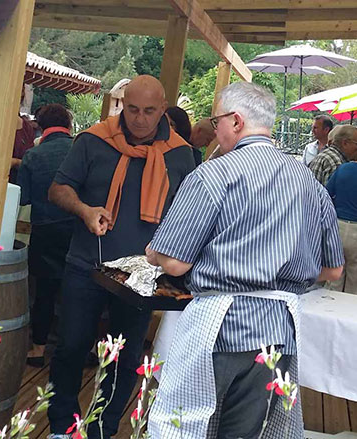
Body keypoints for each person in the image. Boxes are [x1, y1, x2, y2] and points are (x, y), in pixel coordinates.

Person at [145, 82, 344, 439]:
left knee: (189, 426)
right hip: (280, 330)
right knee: (245, 433)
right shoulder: (310, 182)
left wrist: (153, 252)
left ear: (235, 121)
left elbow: (173, 263)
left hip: (219, 327)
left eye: (216, 120)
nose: (213, 128)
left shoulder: (213, 173)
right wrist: (279, 268)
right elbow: (333, 269)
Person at [47, 75, 196, 439]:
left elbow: (190, 214)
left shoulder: (181, 154)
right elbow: (57, 189)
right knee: (70, 345)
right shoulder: (93, 140)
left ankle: (101, 430)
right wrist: (84, 209)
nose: (140, 119)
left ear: (163, 109)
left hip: (143, 275)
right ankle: (63, 426)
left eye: (149, 111)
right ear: (121, 105)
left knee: (125, 357)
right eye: (132, 109)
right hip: (87, 263)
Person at [17, 104, 75, 367]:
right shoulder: (81, 151)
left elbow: (24, 197)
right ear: (69, 125)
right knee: (77, 290)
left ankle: (38, 348)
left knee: (44, 292)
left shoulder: (33, 155)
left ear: (40, 126)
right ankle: (79, 349)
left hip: (45, 228)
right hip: (79, 229)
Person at [326, 162, 357, 293]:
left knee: (335, 273)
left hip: (338, 226)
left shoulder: (343, 168)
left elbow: (326, 194)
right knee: (354, 279)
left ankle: (329, 309)